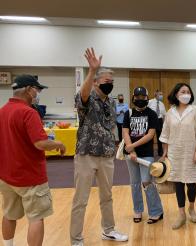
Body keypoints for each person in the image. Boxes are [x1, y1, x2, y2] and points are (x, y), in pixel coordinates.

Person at [70, 48, 128, 245]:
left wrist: (116, 145)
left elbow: (110, 125)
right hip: (86, 154)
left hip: (106, 155)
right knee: (81, 200)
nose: (109, 85)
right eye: (106, 82)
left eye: (112, 82)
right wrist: (92, 71)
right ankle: (76, 239)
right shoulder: (86, 97)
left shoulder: (111, 103)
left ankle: (109, 230)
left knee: (107, 196)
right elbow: (83, 94)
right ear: (95, 81)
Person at [0, 74, 66, 246]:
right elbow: (41, 143)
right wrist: (59, 143)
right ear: (29, 90)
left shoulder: (3, 111)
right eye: (37, 89)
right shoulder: (28, 112)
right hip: (30, 177)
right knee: (36, 218)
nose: (37, 93)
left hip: (7, 176)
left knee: (8, 214)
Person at [159, 83, 196, 230]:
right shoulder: (170, 113)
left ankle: (192, 208)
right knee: (179, 183)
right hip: (175, 154)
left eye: (188, 91)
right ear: (176, 95)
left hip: (191, 152)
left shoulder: (195, 110)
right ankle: (181, 214)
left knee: (191, 183)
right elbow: (165, 135)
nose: (186, 94)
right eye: (183, 91)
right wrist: (164, 154)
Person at [122, 86, 164, 224]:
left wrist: (132, 147)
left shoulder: (152, 114)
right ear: (133, 97)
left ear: (147, 98)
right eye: (137, 97)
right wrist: (131, 150)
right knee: (134, 183)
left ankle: (156, 211)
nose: (140, 99)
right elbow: (125, 132)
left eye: (143, 97)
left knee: (147, 182)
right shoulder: (128, 113)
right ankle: (138, 210)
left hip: (146, 153)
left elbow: (150, 135)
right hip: (131, 154)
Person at [148, 90, 166, 156]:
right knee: (150, 137)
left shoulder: (162, 104)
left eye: (162, 94)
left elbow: (164, 115)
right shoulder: (150, 102)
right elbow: (146, 111)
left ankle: (160, 152)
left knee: (160, 137)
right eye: (160, 94)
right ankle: (150, 151)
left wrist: (164, 125)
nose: (161, 96)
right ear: (156, 94)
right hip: (152, 120)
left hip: (160, 121)